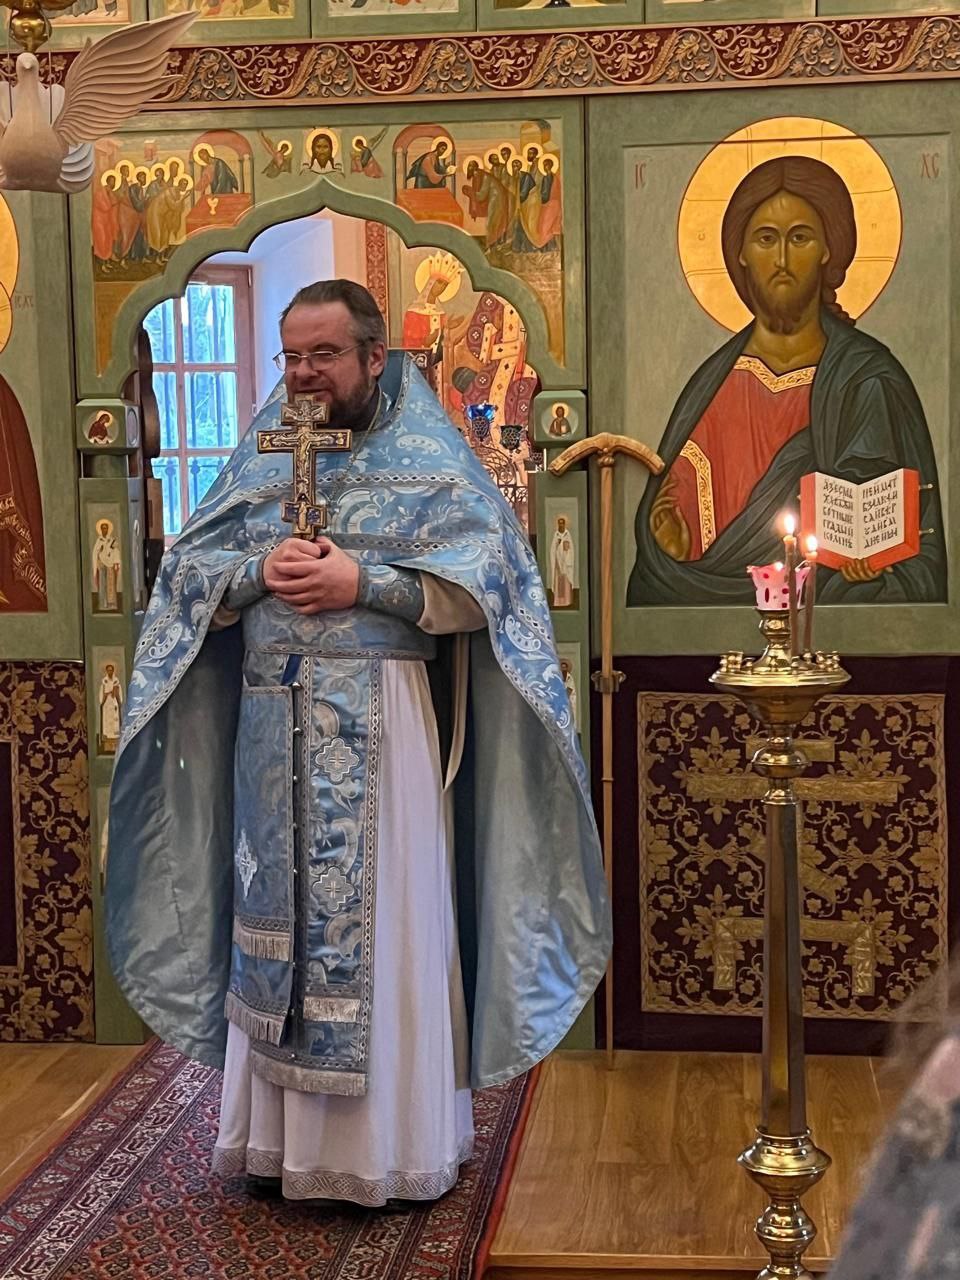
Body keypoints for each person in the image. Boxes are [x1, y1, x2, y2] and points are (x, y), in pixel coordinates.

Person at [106, 279, 609, 1207]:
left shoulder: (431, 457)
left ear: (375, 357)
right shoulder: (263, 453)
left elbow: (492, 588)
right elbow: (188, 573)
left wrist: (367, 585)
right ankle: (279, 1147)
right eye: (292, 356)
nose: (304, 374)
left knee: (385, 923)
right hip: (270, 720)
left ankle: (388, 1149)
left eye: (324, 355)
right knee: (274, 922)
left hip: (385, 724)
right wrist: (255, 570)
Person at [627, 155, 947, 607]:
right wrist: (673, 551)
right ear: (740, 252)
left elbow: (914, 552)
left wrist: (873, 565)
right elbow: (665, 557)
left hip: (836, 629)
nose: (781, 259)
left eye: (799, 237)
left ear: (827, 249)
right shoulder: (711, 386)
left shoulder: (869, 377)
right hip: (705, 632)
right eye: (765, 238)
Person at [549, 514, 576, 608]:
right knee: (559, 583)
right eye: (559, 523)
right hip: (558, 564)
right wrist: (557, 544)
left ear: (564, 524)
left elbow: (570, 549)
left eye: (562, 523)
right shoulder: (556, 535)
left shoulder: (567, 535)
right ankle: (559, 602)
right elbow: (552, 550)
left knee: (565, 583)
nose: (561, 525)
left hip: (566, 564)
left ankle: (567, 601)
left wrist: (567, 553)